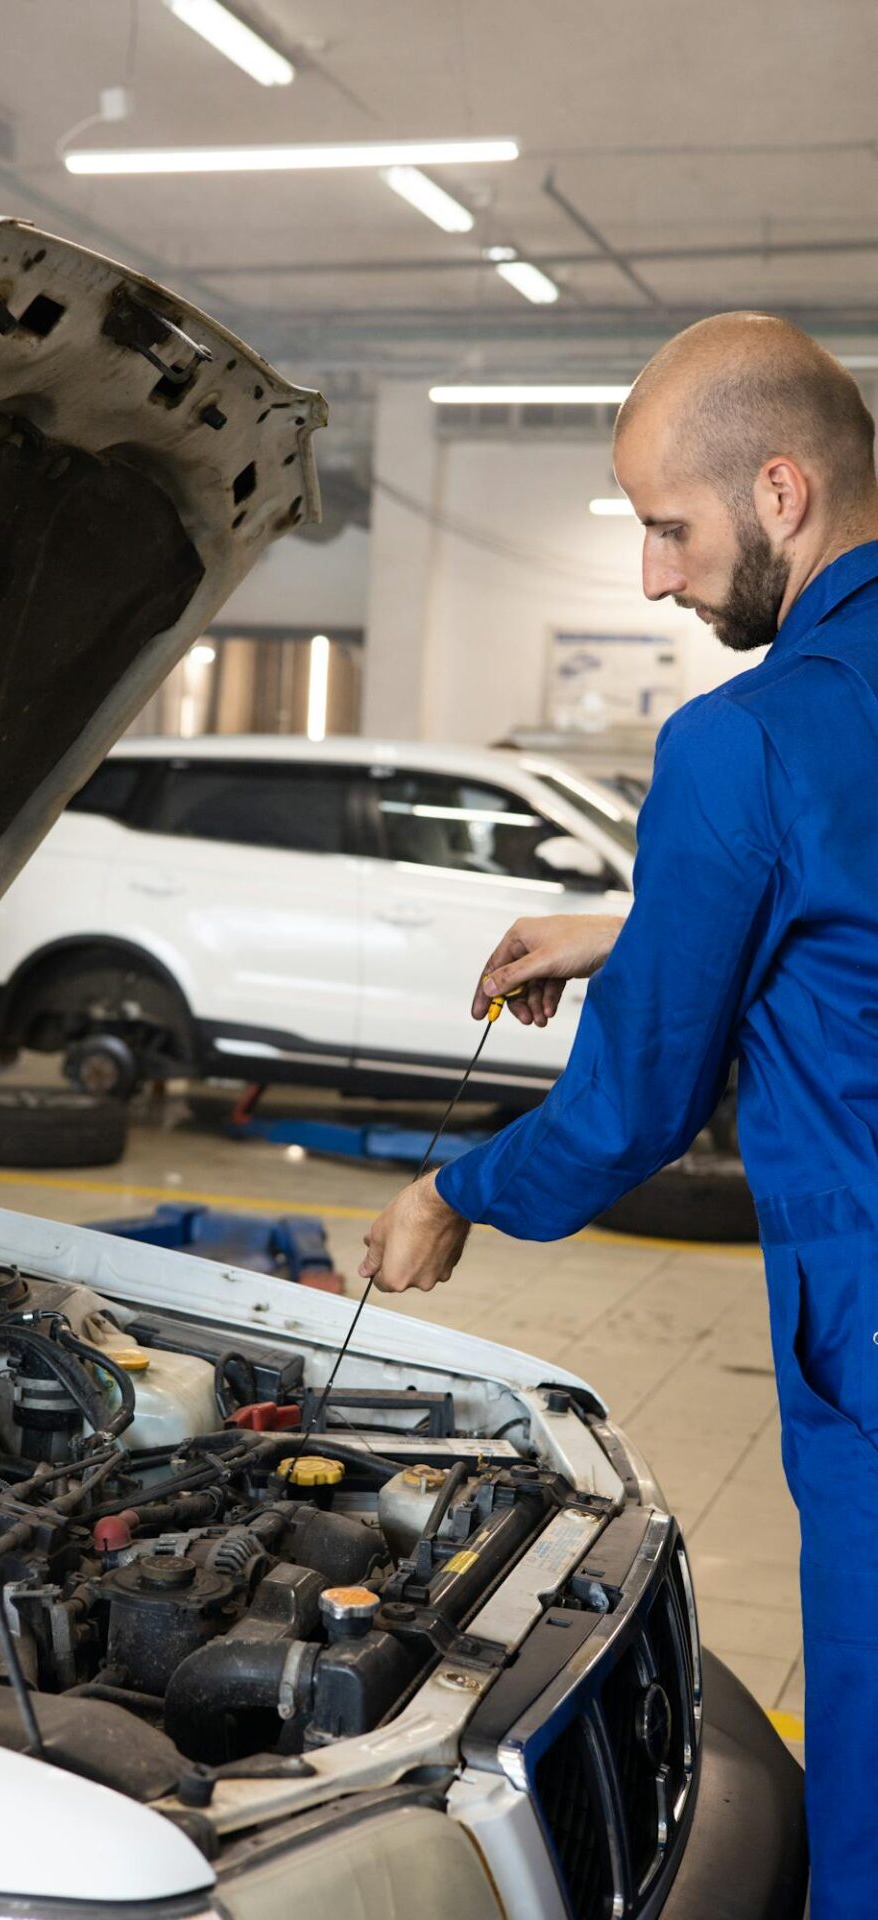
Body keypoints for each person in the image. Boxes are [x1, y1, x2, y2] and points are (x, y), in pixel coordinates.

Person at [360, 311, 878, 1917]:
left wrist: (456, 1191)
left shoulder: (742, 740)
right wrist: (634, 924)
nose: (655, 575)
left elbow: (631, 1111)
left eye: (669, 527)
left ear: (779, 492)